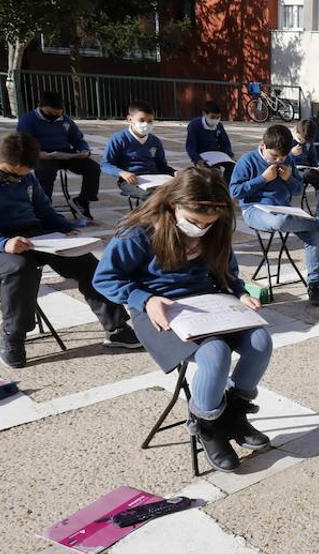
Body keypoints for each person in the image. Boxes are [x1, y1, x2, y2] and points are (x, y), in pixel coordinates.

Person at [93, 167, 273, 473]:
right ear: (174, 204)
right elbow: (104, 279)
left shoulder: (217, 228)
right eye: (194, 221)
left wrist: (240, 293)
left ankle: (234, 415)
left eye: (207, 223)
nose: (200, 228)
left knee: (260, 341)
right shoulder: (140, 232)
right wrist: (144, 299)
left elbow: (227, 273)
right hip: (159, 311)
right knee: (215, 353)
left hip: (209, 303)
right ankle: (208, 425)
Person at [0, 132, 139, 367]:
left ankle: (116, 327)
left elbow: (44, 209)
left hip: (33, 233)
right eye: (13, 174)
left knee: (85, 262)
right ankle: (13, 337)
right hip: (4, 242)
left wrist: (66, 229)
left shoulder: (27, 178)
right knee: (20, 269)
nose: (19, 179)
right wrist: (5, 243)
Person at [229, 125, 319, 307]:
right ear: (262, 146)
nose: (278, 160)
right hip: (255, 211)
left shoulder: (288, 161)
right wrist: (263, 178)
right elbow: (234, 192)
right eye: (274, 157)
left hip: (286, 211)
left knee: (314, 236)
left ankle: (314, 284)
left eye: (283, 157)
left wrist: (289, 178)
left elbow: (298, 191)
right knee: (280, 221)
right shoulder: (247, 160)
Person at [16, 90, 101, 221]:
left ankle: (82, 201)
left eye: (57, 114)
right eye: (50, 113)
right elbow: (23, 142)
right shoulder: (28, 120)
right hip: (43, 156)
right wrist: (37, 154)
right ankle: (44, 207)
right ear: (40, 106)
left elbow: (77, 139)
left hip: (64, 154)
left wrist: (84, 150)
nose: (54, 117)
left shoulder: (66, 121)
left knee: (93, 168)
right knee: (46, 172)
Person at [101, 101, 176, 204]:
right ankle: (147, 218)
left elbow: (162, 165)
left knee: (181, 193)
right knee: (153, 197)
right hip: (131, 180)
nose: (146, 124)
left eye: (150, 121)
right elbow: (105, 164)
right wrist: (122, 173)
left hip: (154, 178)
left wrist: (174, 172)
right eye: (142, 120)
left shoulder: (155, 141)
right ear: (130, 119)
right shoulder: (118, 139)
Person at [184, 99, 235, 179]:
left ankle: (226, 186)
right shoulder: (194, 125)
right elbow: (190, 147)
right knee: (213, 173)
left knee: (233, 167)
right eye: (212, 117)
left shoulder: (219, 126)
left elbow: (225, 143)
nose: (215, 120)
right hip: (203, 157)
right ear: (204, 114)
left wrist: (230, 155)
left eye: (218, 117)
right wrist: (197, 160)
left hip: (218, 155)